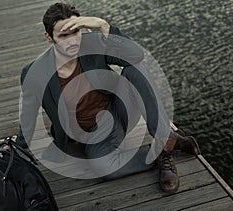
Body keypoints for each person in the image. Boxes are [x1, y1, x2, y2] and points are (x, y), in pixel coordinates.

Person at [13, 2, 200, 193]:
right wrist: (17, 147)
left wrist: (103, 26)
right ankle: (159, 153)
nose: (72, 41)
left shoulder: (92, 44)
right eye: (63, 36)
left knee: (135, 69)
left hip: (119, 111)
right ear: (49, 38)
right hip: (92, 135)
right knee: (104, 168)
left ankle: (165, 140)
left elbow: (135, 55)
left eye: (76, 32)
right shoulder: (33, 73)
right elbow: (28, 114)